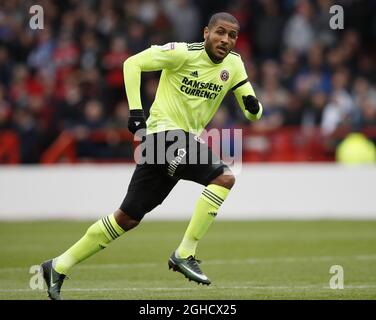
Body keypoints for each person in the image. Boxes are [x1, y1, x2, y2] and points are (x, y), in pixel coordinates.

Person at [41, 12, 263, 300]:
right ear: (206, 32)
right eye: (220, 32)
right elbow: (132, 63)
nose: (226, 40)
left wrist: (253, 106)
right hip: (163, 136)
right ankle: (185, 253)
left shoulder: (234, 65)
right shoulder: (181, 53)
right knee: (223, 176)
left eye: (232, 35)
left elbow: (253, 113)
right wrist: (136, 112)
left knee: (127, 218)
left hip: (173, 143)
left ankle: (58, 265)